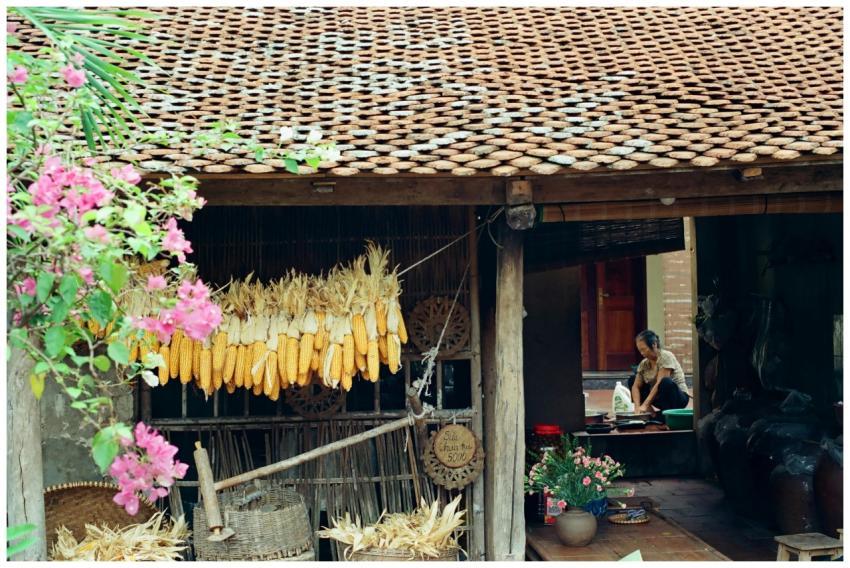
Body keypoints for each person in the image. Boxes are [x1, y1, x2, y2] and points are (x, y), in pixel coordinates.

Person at [629, 330, 690, 413]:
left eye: (644, 349)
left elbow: (660, 383)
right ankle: (650, 413)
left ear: (654, 344)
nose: (642, 353)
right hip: (660, 398)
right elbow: (635, 386)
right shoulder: (644, 364)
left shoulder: (666, 356)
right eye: (640, 350)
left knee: (665, 381)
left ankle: (667, 414)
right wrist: (637, 407)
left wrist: (645, 404)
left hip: (678, 398)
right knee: (632, 379)